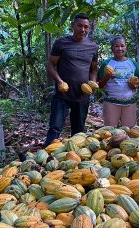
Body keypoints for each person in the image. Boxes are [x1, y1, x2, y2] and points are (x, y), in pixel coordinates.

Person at [44, 13, 98, 147]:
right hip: (62, 95)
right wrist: (59, 81)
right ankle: (45, 158)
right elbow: (51, 66)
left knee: (78, 133)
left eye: (86, 27)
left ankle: (73, 161)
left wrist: (92, 82)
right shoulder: (61, 43)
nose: (83, 29)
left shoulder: (93, 47)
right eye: (79, 26)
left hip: (82, 95)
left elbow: (93, 69)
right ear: (72, 25)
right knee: (55, 128)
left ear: (89, 28)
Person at [98, 36, 139, 127]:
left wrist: (134, 85)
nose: (120, 48)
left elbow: (138, 82)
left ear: (126, 47)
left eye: (122, 46)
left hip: (129, 103)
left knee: (129, 132)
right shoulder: (107, 63)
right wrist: (107, 77)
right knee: (110, 132)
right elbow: (99, 85)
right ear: (112, 48)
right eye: (117, 46)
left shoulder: (132, 63)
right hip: (111, 102)